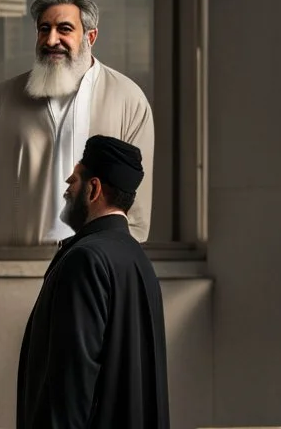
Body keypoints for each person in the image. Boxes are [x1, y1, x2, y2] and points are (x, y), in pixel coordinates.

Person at [0, 0, 154, 246]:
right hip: (14, 266)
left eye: (64, 29)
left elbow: (135, 206)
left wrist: (113, 265)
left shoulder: (128, 100)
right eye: (44, 29)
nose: (51, 39)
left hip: (94, 269)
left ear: (91, 36)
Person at [16, 135, 170, 429]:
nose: (66, 190)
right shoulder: (137, 259)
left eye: (73, 181)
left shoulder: (85, 259)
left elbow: (72, 383)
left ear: (94, 189)